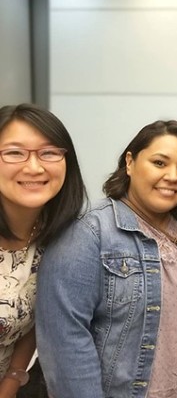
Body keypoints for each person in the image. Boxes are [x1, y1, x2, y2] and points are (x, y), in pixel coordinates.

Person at [36, 120, 177, 398]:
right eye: (160, 163)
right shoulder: (88, 234)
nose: (173, 176)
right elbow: (64, 342)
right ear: (130, 162)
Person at [0, 103, 87, 398]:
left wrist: (11, 382)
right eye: (14, 153)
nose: (34, 167)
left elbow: (36, 319)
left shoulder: (62, 239)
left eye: (49, 153)